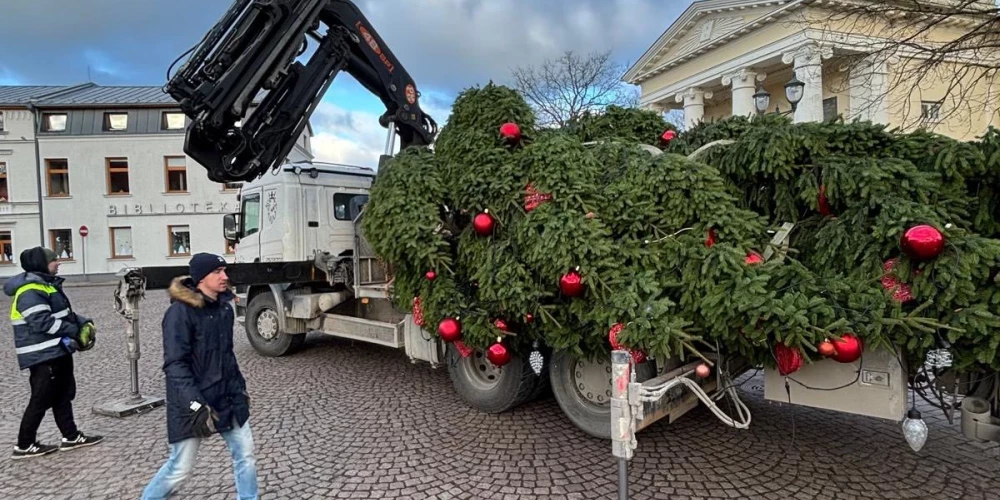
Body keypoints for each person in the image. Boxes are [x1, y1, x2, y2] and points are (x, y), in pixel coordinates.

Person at [141, 253, 258, 500]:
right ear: (201, 278)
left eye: (224, 270)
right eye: (217, 272)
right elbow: (175, 365)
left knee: (245, 455)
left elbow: (227, 357)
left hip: (227, 396)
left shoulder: (225, 310)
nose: (224, 276)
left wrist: (241, 389)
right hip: (192, 403)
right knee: (180, 469)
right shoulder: (179, 313)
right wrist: (195, 403)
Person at [5, 246, 102, 459]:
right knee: (40, 399)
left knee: (62, 396)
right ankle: (24, 444)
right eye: (53, 260)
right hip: (43, 355)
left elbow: (65, 314)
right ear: (41, 264)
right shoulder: (29, 291)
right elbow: (42, 322)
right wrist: (75, 332)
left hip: (57, 351)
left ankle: (71, 436)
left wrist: (83, 322)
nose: (58, 263)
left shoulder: (47, 286)